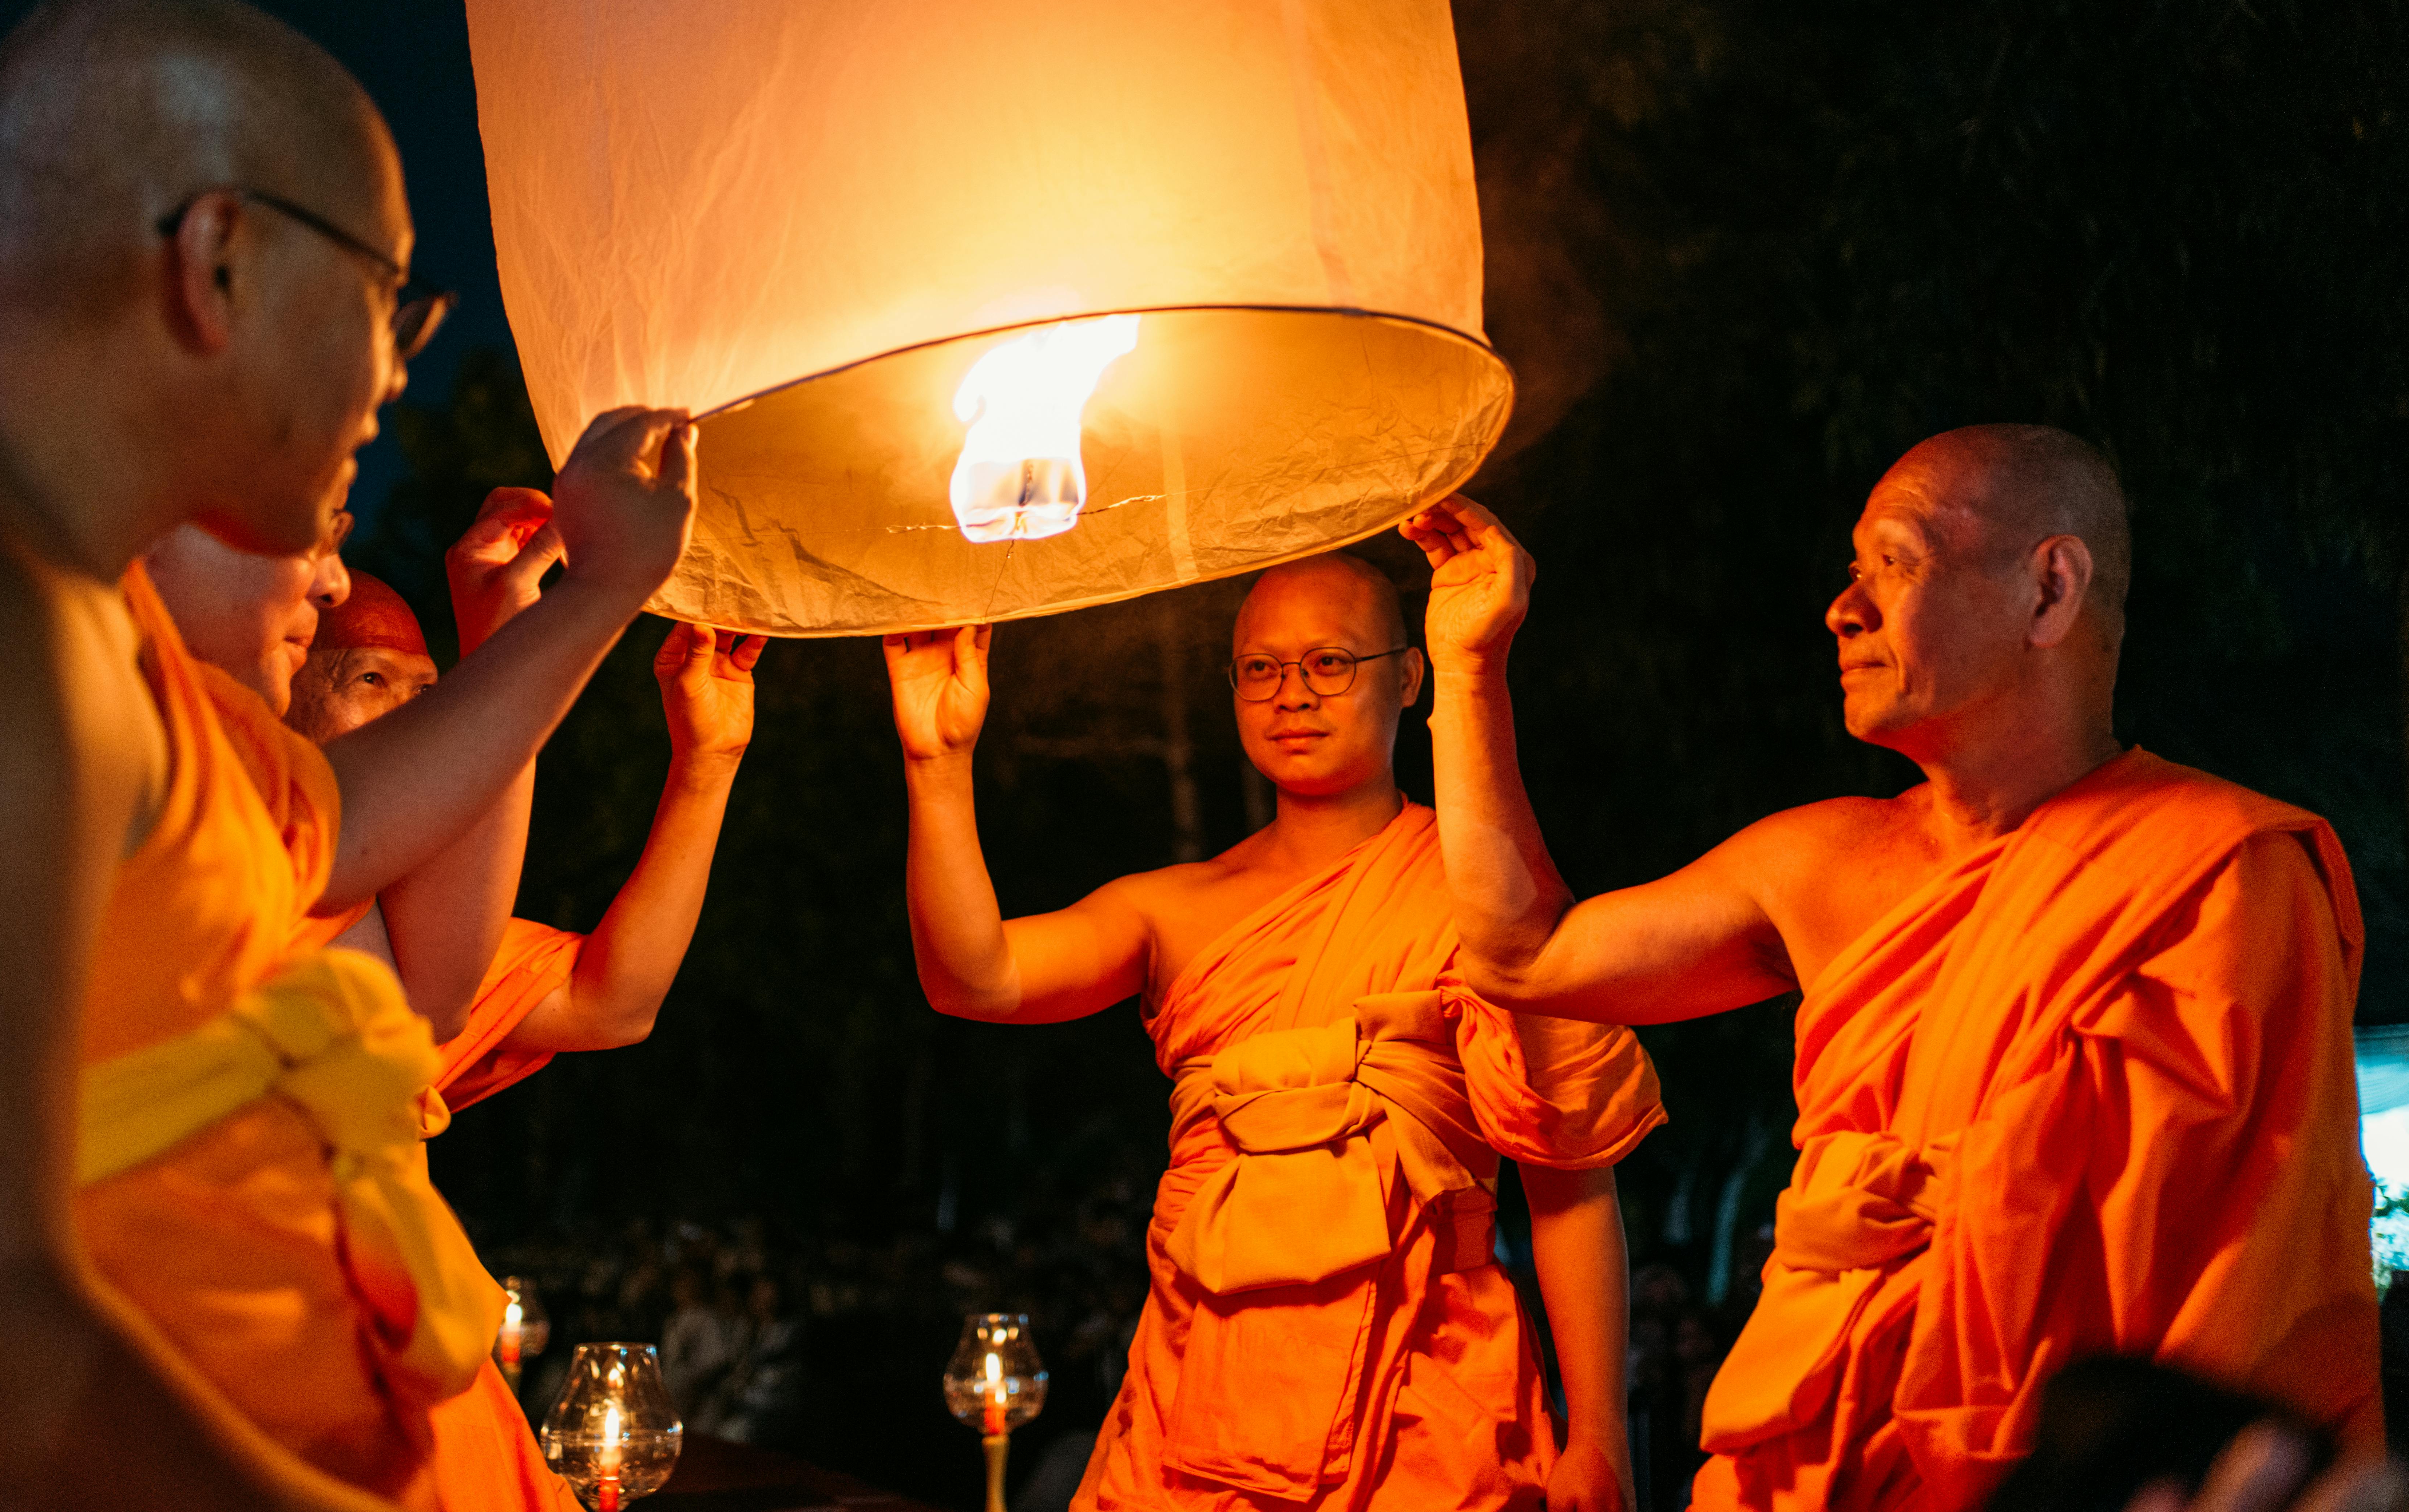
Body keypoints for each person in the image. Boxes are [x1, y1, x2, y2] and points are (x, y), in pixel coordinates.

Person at [0, 0, 695, 1511]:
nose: (394, 370)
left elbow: (344, 812)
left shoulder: (68, 608)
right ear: (217, 261)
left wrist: (601, 598)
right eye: (388, 300)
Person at [1410, 425, 2380, 1512]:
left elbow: (2247, 1269)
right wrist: (1470, 664)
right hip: (1826, 1447)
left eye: (1897, 562)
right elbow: (1524, 954)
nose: (1845, 608)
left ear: (2050, 591)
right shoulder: (1820, 860)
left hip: (2090, 1471)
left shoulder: (2218, 873)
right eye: (1851, 570)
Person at [887, 556, 1666, 1512]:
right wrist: (937, 766)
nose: (1292, 695)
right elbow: (975, 977)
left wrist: (1599, 1434)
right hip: (1199, 1396)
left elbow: (1571, 1183)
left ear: (1409, 676)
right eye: (1261, 669)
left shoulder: (1482, 903)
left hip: (1424, 1400)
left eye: (1330, 663)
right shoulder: (1174, 910)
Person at [146, 493, 757, 1512]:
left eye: (433, 694)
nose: (427, 723)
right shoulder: (195, 842)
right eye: (372, 684)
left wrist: (706, 764)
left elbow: (612, 1001)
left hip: (427, 1432)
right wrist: (564, 612)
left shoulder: (385, 925)